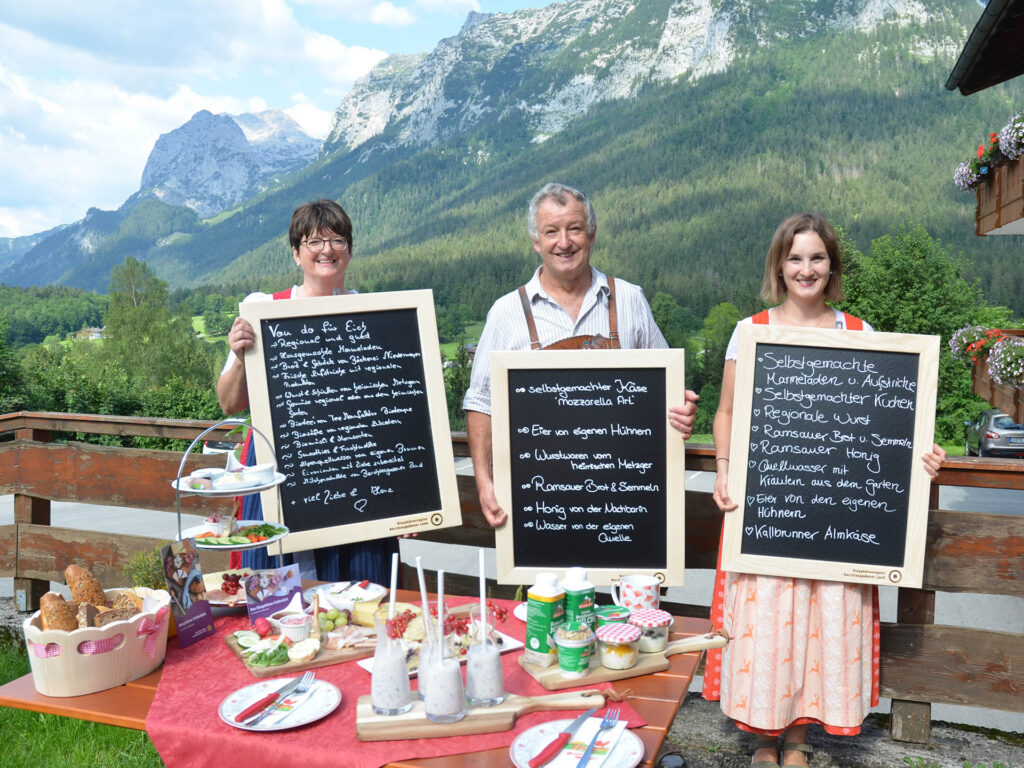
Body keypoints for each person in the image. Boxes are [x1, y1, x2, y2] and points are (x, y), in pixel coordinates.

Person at [703, 213, 947, 768]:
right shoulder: (753, 330)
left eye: (816, 258)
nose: (805, 269)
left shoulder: (860, 335)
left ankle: (797, 739)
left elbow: (888, 430)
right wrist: (722, 467)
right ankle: (765, 738)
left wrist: (921, 460)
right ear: (779, 265)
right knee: (768, 626)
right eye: (795, 258)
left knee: (819, 625)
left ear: (831, 266)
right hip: (768, 505)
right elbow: (725, 413)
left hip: (840, 523)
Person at [462, 182, 699, 527]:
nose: (564, 242)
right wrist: (484, 482)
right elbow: (482, 403)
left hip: (628, 499)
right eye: (551, 232)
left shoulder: (630, 299)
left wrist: (682, 409)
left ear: (591, 234)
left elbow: (666, 388)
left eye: (574, 229)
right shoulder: (506, 311)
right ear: (536, 242)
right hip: (541, 503)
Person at [216, 198, 398, 584]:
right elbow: (230, 403)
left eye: (337, 240)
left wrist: (407, 500)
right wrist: (239, 354)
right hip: (276, 476)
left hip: (357, 479)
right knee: (274, 602)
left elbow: (394, 415)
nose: (327, 250)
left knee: (358, 602)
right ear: (296, 254)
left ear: (350, 251)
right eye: (314, 242)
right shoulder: (262, 310)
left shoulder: (375, 316)